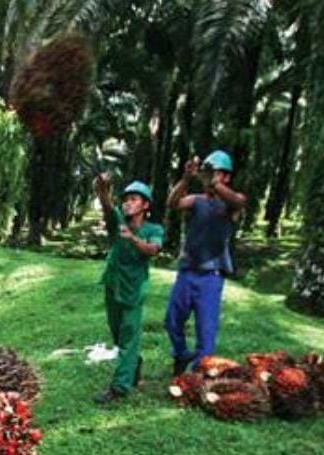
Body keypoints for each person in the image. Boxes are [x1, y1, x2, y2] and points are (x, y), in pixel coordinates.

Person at [164, 150, 248, 375]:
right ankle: (181, 354)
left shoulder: (232, 204)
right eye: (208, 172)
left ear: (227, 177)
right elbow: (173, 203)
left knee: (206, 331)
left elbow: (238, 201)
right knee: (172, 321)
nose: (210, 177)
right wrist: (186, 178)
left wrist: (215, 184)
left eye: (216, 173)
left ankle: (198, 376)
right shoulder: (197, 200)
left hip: (212, 277)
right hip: (187, 271)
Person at [93, 175, 164, 404]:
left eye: (134, 199)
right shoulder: (118, 220)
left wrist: (133, 239)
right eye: (126, 199)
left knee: (128, 336)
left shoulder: (154, 228)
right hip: (113, 286)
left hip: (134, 290)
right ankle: (134, 363)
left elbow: (153, 249)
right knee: (118, 334)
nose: (127, 203)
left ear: (145, 205)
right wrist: (102, 186)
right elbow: (106, 204)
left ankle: (119, 388)